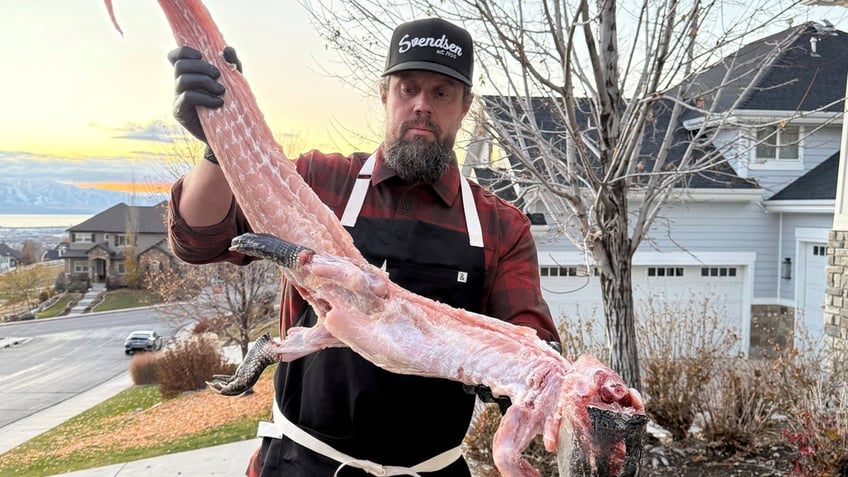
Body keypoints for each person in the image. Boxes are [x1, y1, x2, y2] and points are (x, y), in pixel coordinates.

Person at [166, 17, 560, 477]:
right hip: (301, 463)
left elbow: (530, 339)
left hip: (430, 470)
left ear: (465, 105)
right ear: (384, 94)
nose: (421, 106)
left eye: (441, 93)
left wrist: (534, 381)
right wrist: (219, 148)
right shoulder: (316, 182)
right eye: (407, 88)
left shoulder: (500, 225)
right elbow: (201, 240)